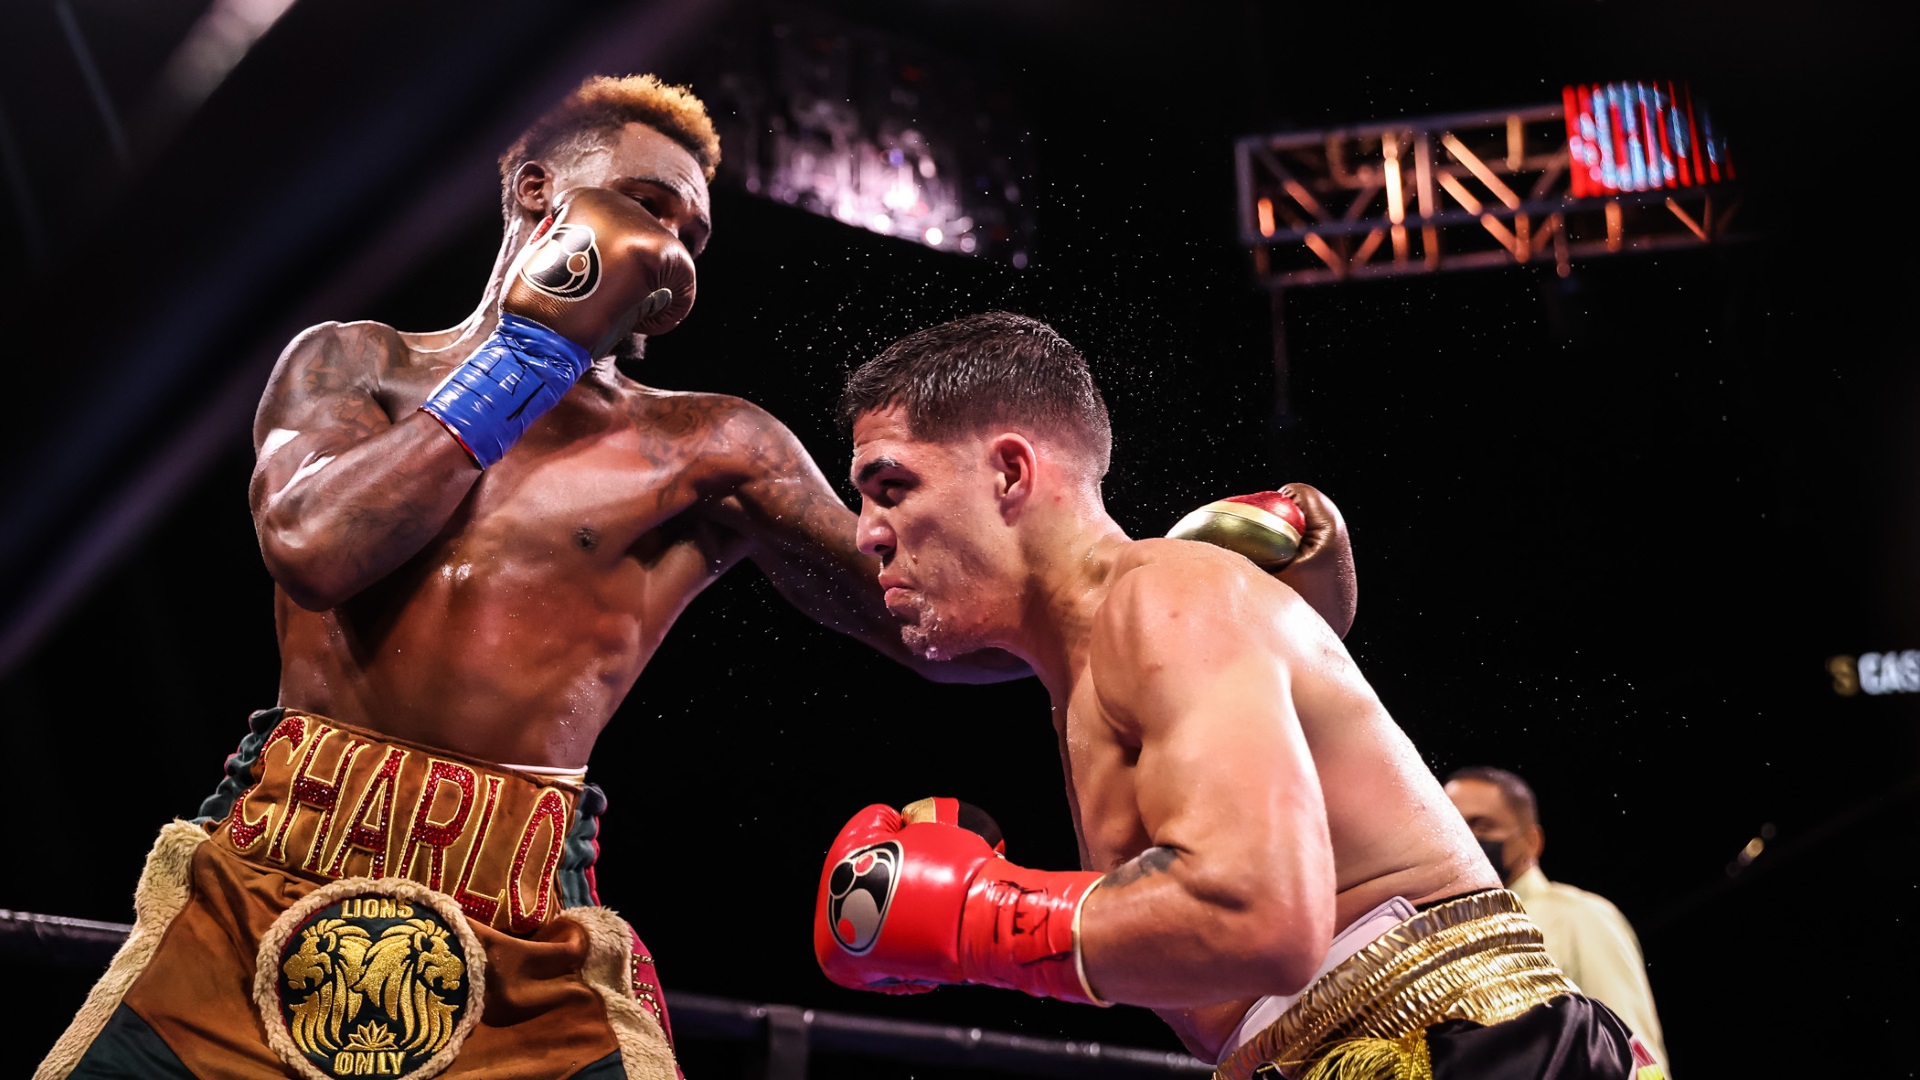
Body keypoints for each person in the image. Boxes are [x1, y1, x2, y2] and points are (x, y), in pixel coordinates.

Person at [34, 75, 1356, 1080]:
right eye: (647, 204)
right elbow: (319, 548)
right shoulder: (355, 366)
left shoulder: (706, 447)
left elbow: (940, 619)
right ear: (538, 195)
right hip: (259, 871)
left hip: (521, 923)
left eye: (698, 228)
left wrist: (1171, 582)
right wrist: (532, 355)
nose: (678, 248)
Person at [809, 312, 1668, 1080]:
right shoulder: (1096, 666)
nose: (866, 533)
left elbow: (1257, 919)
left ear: (1009, 472)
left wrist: (974, 920)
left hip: (1448, 1042)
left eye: (892, 487)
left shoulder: (1164, 598)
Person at [1444, 766, 1672, 1072]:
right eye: (1451, 825)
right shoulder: (1446, 933)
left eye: (1481, 826)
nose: (1464, 838)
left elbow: (1635, 1056)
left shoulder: (1579, 916)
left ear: (1531, 841)